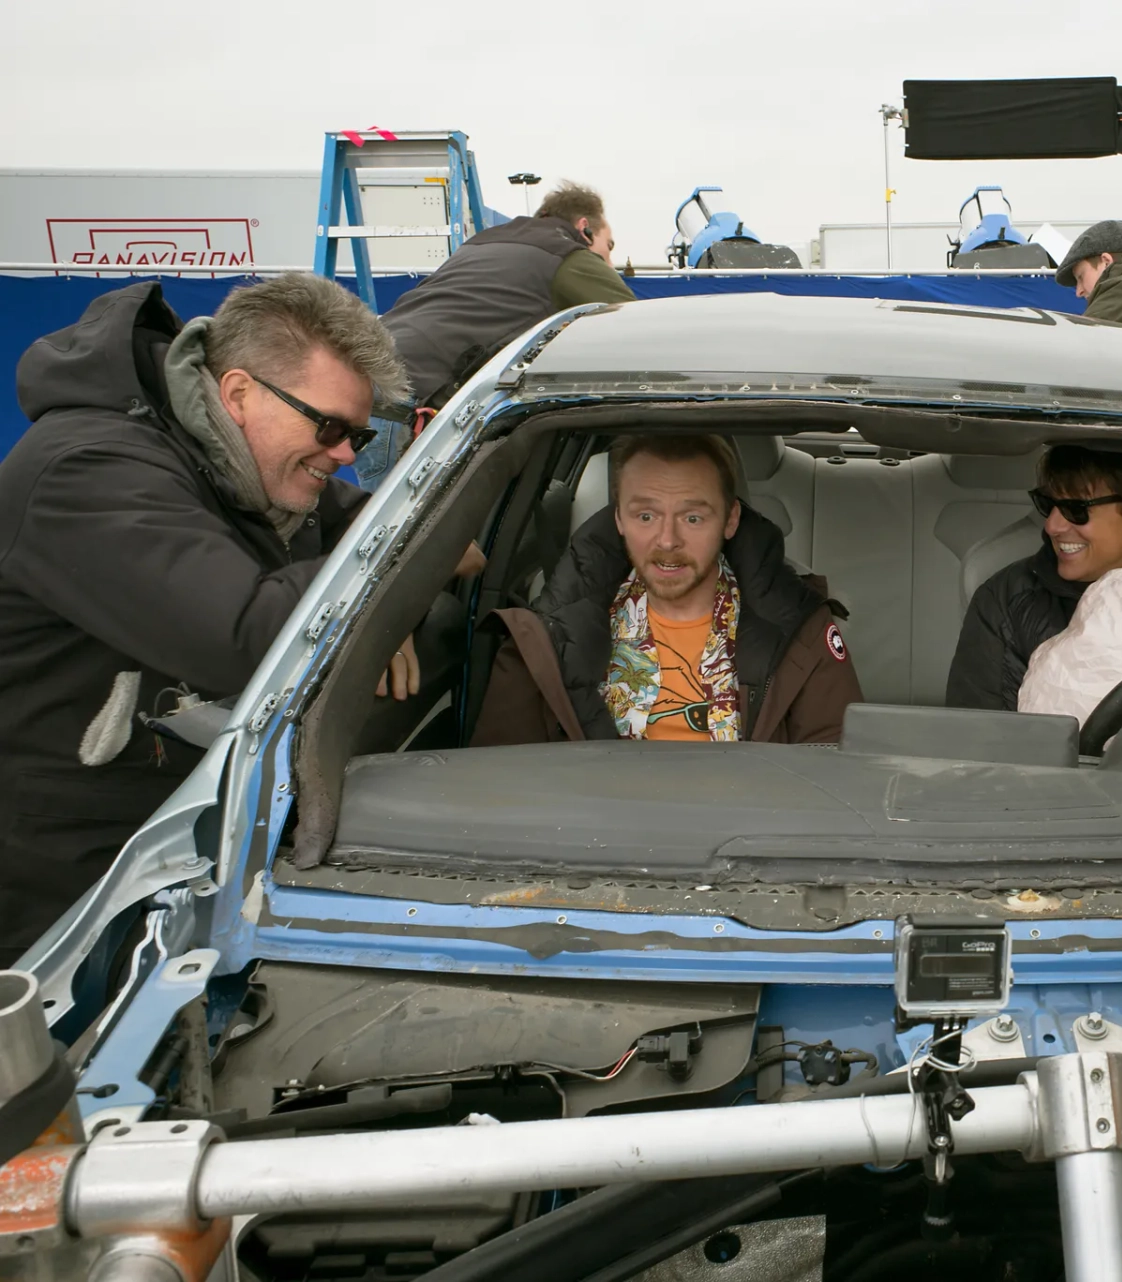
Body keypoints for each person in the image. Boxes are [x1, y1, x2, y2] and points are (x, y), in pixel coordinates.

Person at [0, 275, 429, 964]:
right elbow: (246, 635)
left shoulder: (231, 461)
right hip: (61, 872)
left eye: (358, 434)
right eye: (330, 428)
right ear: (237, 394)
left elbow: (359, 524)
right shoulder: (87, 472)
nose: (347, 455)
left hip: (168, 835)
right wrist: (389, 587)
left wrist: (391, 582)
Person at [473, 434, 861, 745]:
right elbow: (495, 791)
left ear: (730, 520)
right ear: (619, 519)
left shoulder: (801, 632)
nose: (667, 540)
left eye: (692, 517)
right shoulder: (544, 637)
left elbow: (839, 780)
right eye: (646, 515)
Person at [359, 181, 637, 488]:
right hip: (410, 404)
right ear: (584, 229)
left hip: (368, 388)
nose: (609, 263)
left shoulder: (482, 243)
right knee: (405, 534)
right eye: (607, 247)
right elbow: (642, 326)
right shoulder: (568, 255)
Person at [946, 445, 1122, 711]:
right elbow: (982, 736)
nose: (1052, 526)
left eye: (1076, 509)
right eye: (1048, 504)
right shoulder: (1005, 600)